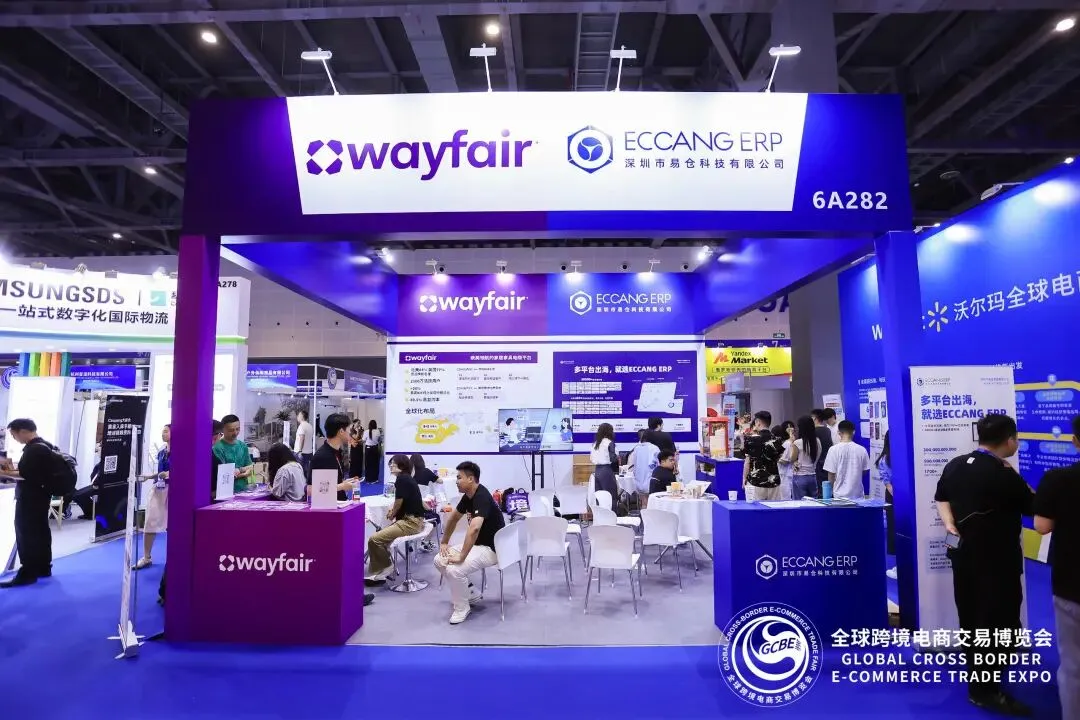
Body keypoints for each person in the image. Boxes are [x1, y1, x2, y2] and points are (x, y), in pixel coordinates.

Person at [935, 414, 1034, 716]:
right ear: (1010, 440)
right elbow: (1033, 506)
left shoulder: (955, 464)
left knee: (970, 616)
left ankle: (978, 680)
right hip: (997, 562)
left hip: (963, 555)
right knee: (1000, 623)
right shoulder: (1004, 475)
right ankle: (985, 690)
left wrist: (949, 523)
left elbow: (941, 497)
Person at [1034, 414, 1080, 720]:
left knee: (1074, 664)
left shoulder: (1058, 479)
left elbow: (1042, 526)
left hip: (1072, 580)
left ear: (1075, 441)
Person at [434, 461, 504, 625]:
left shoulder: (481, 497)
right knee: (439, 559)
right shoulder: (468, 497)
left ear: (471, 479)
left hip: (493, 549)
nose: (456, 481)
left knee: (454, 570)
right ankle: (471, 592)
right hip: (478, 546)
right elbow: (453, 519)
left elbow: (474, 529)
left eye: (459, 477)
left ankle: (462, 608)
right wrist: (444, 542)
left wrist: (461, 556)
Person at [0, 419, 58, 587]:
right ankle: (43, 567)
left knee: (26, 533)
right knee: (40, 531)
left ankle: (27, 572)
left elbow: (26, 475)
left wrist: (3, 474)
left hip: (30, 498)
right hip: (41, 496)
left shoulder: (33, 450)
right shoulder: (46, 446)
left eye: (14, 435)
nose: (15, 438)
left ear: (23, 431)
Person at [366, 454, 427, 582]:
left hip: (410, 522)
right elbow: (401, 501)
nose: (391, 466)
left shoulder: (402, 479)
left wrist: (393, 513)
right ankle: (381, 570)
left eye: (394, 463)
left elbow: (398, 502)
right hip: (413, 520)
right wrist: (393, 511)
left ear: (402, 465)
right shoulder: (406, 478)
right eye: (391, 463)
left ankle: (386, 567)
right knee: (381, 540)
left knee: (374, 539)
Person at [136, 424, 171, 570]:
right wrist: (149, 476)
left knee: (172, 525)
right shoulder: (162, 452)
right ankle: (146, 557)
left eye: (166, 431)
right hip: (158, 489)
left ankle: (174, 557)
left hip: (174, 491)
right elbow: (160, 473)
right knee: (150, 521)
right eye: (162, 431)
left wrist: (169, 474)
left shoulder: (182, 451)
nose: (163, 434)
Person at [310, 413, 361, 501]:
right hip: (329, 506)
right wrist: (342, 486)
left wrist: (344, 483)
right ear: (341, 431)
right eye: (348, 430)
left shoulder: (337, 452)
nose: (350, 433)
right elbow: (311, 489)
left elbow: (332, 481)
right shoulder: (321, 456)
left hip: (340, 503)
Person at [822, 420, 870, 500]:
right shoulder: (862, 450)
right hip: (858, 496)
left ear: (839, 432)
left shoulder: (833, 450)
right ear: (853, 432)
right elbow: (865, 470)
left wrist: (830, 492)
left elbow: (831, 474)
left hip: (839, 496)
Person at [742, 411, 782, 502]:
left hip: (756, 481)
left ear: (758, 422)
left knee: (755, 508)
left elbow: (747, 462)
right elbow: (778, 459)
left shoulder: (750, 440)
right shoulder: (778, 440)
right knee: (773, 509)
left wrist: (744, 478)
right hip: (774, 482)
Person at [213, 414, 254, 494]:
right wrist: (243, 473)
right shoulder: (218, 448)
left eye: (237, 429)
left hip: (243, 490)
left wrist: (239, 470)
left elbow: (250, 466)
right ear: (223, 430)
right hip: (226, 492)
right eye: (231, 430)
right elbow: (224, 475)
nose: (235, 433)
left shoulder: (242, 445)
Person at [876, 431, 897, 579]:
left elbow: (888, 483)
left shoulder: (885, 459)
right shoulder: (888, 459)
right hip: (902, 496)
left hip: (894, 497)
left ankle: (898, 565)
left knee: (894, 527)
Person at [790, 415, 821, 500]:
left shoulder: (797, 442)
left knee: (799, 503)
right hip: (813, 476)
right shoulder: (817, 441)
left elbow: (792, 459)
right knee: (813, 503)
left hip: (800, 476)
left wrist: (791, 442)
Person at [590, 422, 620, 506]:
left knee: (599, 496)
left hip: (597, 471)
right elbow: (613, 459)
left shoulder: (595, 443)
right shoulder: (609, 443)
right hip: (606, 471)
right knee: (611, 496)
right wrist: (617, 456)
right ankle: (612, 513)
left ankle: (600, 513)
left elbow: (591, 458)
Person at [628, 429, 660, 508]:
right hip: (650, 480)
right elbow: (657, 465)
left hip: (638, 480)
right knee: (651, 504)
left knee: (643, 503)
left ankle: (643, 515)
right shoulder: (654, 448)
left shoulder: (637, 448)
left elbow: (634, 464)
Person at [811, 409, 834, 497]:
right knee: (827, 485)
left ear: (814, 418)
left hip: (817, 462)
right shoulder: (827, 430)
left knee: (819, 487)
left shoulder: (813, 431)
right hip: (827, 461)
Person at [773, 424, 794, 501]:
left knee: (785, 498)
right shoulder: (786, 443)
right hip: (783, 474)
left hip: (785, 474)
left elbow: (785, 461)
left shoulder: (787, 443)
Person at [293, 409, 314, 473]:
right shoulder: (310, 426)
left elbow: (302, 438)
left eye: (298, 415)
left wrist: (300, 451)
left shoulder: (301, 426)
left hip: (301, 453)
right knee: (306, 471)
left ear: (302, 416)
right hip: (309, 452)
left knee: (299, 472)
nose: (297, 416)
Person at [362, 420, 382, 484]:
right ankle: (375, 479)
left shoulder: (366, 431)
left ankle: (368, 479)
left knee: (368, 464)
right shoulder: (378, 431)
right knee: (375, 464)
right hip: (375, 449)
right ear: (375, 425)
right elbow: (379, 440)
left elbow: (363, 440)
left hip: (368, 449)